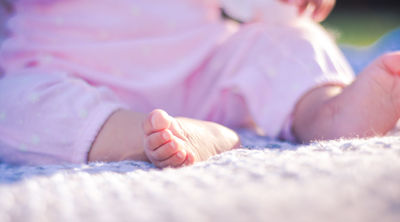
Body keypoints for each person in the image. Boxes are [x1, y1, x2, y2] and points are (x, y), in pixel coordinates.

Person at [0, 0, 399, 168]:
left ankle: (327, 109)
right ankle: (151, 137)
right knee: (13, 106)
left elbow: (252, 8)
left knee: (285, 37)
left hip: (206, 72)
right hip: (77, 86)